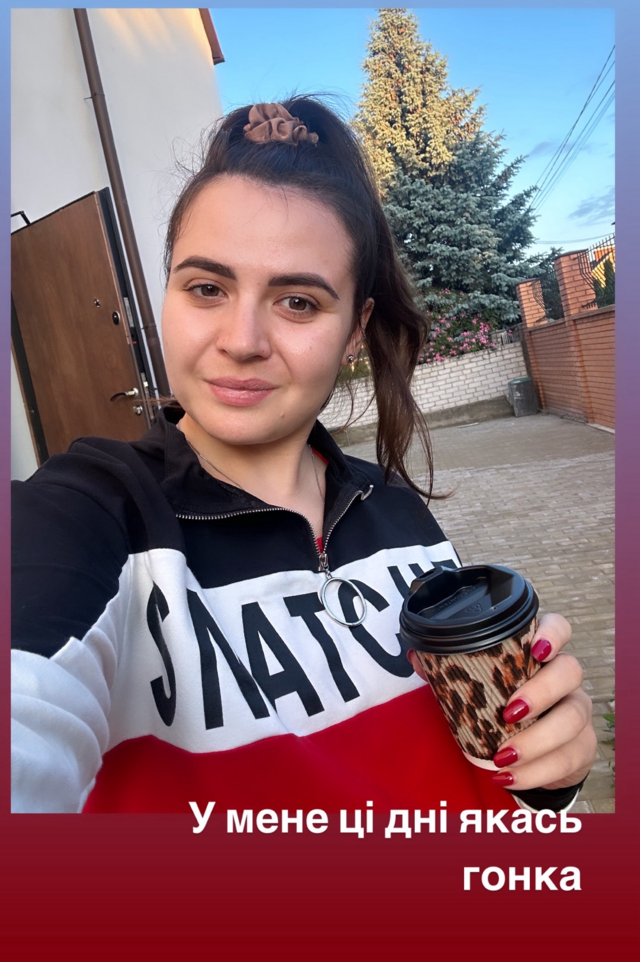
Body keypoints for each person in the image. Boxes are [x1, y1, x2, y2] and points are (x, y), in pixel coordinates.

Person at [11, 98, 596, 814]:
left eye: (297, 302)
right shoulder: (89, 515)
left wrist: (545, 779)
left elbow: (475, 774)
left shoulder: (396, 509)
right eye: (206, 288)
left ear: (355, 330)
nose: (241, 340)